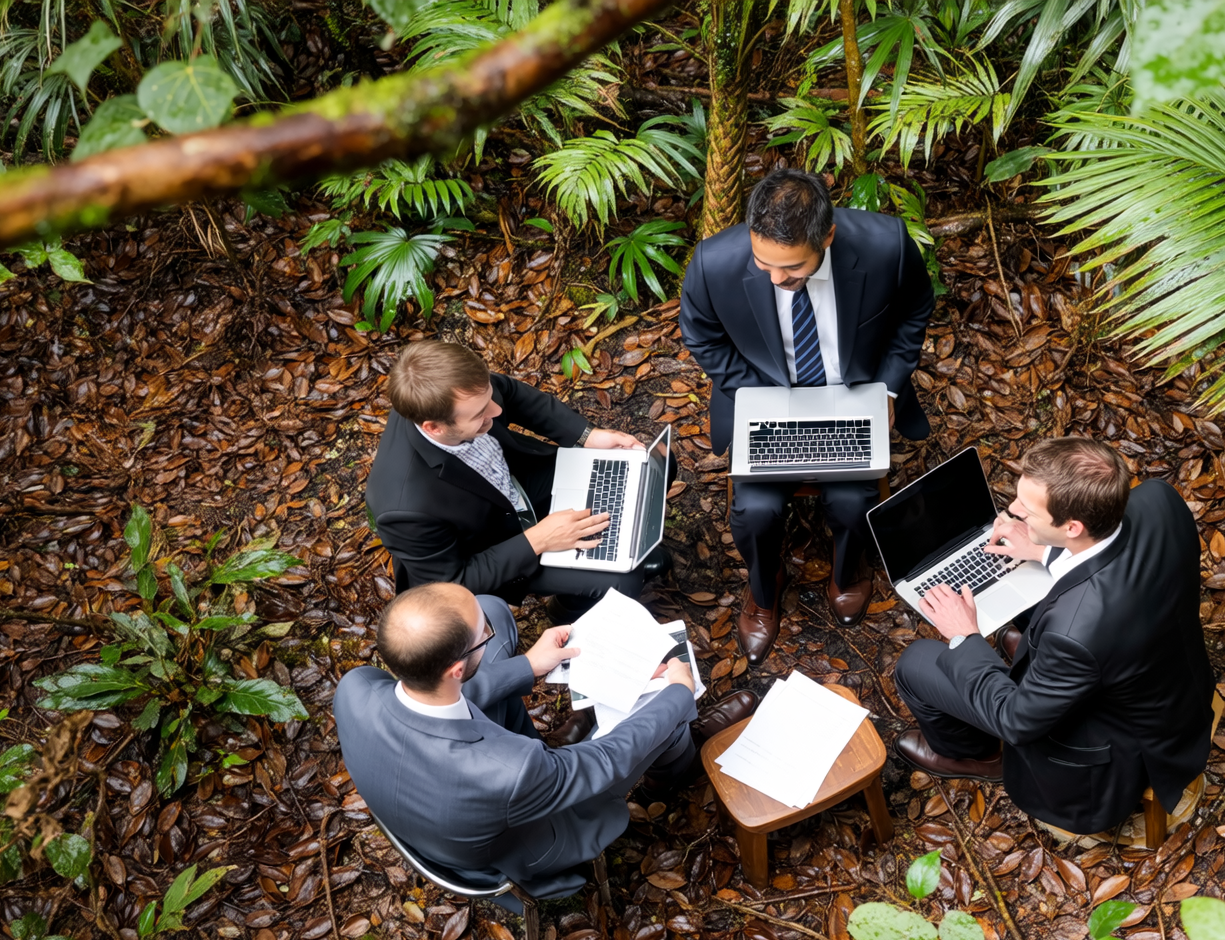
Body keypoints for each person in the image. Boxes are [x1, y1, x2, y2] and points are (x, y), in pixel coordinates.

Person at [334, 583, 758, 900]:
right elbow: (601, 762)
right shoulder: (510, 771)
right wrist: (676, 694)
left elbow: (430, 700)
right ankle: (679, 755)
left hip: (432, 806)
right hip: (526, 844)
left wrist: (530, 665)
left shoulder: (353, 688)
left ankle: (666, 731)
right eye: (483, 633)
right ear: (456, 670)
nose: (488, 625)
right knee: (654, 724)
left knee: (498, 614)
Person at [891, 438, 1213, 836]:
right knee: (1019, 628)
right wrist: (1044, 551)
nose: (1011, 513)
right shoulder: (1160, 499)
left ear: (1073, 526)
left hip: (1114, 753)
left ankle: (976, 753)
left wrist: (965, 636)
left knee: (917, 661)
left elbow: (1016, 720)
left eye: (1026, 513)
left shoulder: (1075, 631)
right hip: (1171, 682)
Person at [680, 168, 934, 663]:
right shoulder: (714, 262)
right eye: (763, 263)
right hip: (766, 397)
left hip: (853, 394)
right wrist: (758, 399)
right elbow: (701, 335)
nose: (776, 280)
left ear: (828, 236)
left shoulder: (889, 245)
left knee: (853, 499)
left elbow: (914, 311)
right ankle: (764, 584)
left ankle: (848, 570)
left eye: (792, 268)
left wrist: (887, 389)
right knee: (755, 512)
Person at [365, 340, 671, 625]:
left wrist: (588, 436)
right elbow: (454, 581)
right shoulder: (404, 508)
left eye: (488, 399)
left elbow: (508, 392)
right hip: (496, 542)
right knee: (623, 581)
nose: (496, 412)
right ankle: (569, 609)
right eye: (481, 415)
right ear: (434, 428)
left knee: (648, 464)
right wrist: (541, 539)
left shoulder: (454, 391)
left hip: (516, 479)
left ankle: (624, 546)